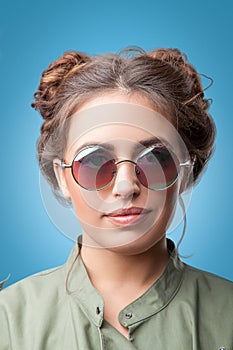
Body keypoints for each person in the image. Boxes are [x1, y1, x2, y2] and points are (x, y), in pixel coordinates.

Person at [0, 47, 232, 350]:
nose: (126, 186)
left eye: (155, 158)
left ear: (185, 170)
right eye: (95, 162)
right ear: (62, 177)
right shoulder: (7, 321)